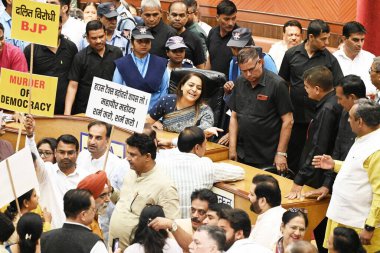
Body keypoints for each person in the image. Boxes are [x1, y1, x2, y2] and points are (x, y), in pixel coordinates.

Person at [312, 99, 380, 252]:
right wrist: (334, 165)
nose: (348, 120)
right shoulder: (365, 138)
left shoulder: (377, 149)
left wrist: (369, 227)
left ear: (360, 121)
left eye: (350, 117)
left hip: (359, 225)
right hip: (344, 216)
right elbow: (361, 169)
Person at [279, 19, 343, 176]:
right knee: (293, 158)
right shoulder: (291, 54)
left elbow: (338, 89)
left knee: (313, 159)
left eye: (328, 38)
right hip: (295, 118)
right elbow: (282, 83)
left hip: (318, 120)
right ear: (311, 37)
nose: (327, 42)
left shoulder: (330, 60)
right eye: (323, 38)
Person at [108, 133, 180, 250]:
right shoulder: (131, 172)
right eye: (128, 153)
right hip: (114, 246)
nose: (128, 158)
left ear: (147, 156)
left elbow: (171, 224)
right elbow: (123, 201)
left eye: (133, 155)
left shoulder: (165, 186)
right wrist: (111, 191)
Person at [228, 47, 293, 170]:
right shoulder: (240, 81)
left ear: (260, 62)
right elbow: (234, 117)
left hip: (266, 154)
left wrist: (281, 153)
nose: (248, 74)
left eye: (251, 69)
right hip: (243, 151)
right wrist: (232, 148)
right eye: (244, 71)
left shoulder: (277, 84)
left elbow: (288, 121)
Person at [158, 126, 244, 217]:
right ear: (197, 148)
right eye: (205, 144)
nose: (206, 148)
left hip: (165, 222)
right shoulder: (205, 165)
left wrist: (174, 141)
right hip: (193, 224)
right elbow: (240, 172)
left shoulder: (161, 158)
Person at [24, 114, 88, 228]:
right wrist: (30, 136)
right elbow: (32, 158)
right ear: (55, 152)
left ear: (77, 153)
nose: (65, 156)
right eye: (62, 152)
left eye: (70, 152)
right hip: (48, 234)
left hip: (73, 235)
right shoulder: (47, 171)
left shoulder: (85, 177)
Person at [288, 66, 342, 199]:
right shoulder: (333, 102)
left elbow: (318, 146)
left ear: (317, 89)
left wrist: (300, 179)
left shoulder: (327, 109)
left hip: (319, 173)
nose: (305, 90)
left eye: (306, 86)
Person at [64, 20, 123, 115]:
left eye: (101, 37)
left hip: (109, 110)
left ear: (106, 34)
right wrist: (67, 113)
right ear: (87, 38)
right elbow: (73, 86)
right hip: (85, 110)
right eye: (94, 38)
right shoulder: (80, 57)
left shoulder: (117, 53)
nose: (98, 41)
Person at [24, 16, 78, 115]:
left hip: (65, 110)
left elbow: (74, 80)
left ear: (61, 27)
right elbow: (26, 81)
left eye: (58, 28)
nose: (54, 31)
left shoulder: (71, 47)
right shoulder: (31, 50)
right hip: (39, 110)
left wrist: (67, 112)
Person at [112, 26, 169, 110]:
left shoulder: (160, 63)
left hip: (153, 114)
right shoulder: (122, 63)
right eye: (139, 41)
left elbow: (164, 91)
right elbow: (116, 90)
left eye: (147, 41)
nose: (144, 44)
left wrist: (157, 115)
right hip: (128, 111)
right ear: (132, 43)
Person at [146, 72, 217, 135]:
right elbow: (146, 122)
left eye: (199, 88)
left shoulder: (205, 111)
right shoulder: (167, 100)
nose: (194, 90)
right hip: (163, 144)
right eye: (191, 85)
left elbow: (203, 132)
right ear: (182, 86)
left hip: (190, 147)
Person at [148, 189, 217, 252]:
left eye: (201, 212)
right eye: (193, 210)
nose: (195, 215)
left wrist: (172, 225)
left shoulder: (216, 234)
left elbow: (193, 248)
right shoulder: (179, 224)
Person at [41, 189, 108, 253]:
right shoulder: (94, 243)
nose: (95, 212)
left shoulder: (44, 239)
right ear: (83, 214)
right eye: (93, 209)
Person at [333, 21, 375, 95]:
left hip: (367, 103)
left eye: (362, 40)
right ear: (344, 39)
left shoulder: (370, 58)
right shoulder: (334, 59)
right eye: (355, 40)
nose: (360, 44)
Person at [333, 75, 366, 161]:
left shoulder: (371, 118)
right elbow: (339, 142)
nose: (338, 102)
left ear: (352, 97)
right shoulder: (345, 111)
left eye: (340, 98)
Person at [248, 174, 286, 250]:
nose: (248, 196)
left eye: (252, 194)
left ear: (262, 201)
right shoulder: (281, 213)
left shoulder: (268, 225)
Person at [168, 1, 206, 69]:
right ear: (168, 15)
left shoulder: (195, 39)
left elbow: (201, 69)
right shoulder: (162, 34)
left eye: (181, 15)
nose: (177, 18)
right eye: (174, 15)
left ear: (187, 17)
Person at [206, 0, 238, 77]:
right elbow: (210, 57)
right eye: (226, 19)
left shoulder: (242, 35)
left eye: (233, 18)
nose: (231, 23)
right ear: (217, 17)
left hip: (233, 85)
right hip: (214, 82)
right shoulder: (212, 32)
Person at [77, 170, 110, 239]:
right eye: (103, 196)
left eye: (108, 194)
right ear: (90, 199)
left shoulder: (94, 217)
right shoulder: (84, 223)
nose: (108, 200)